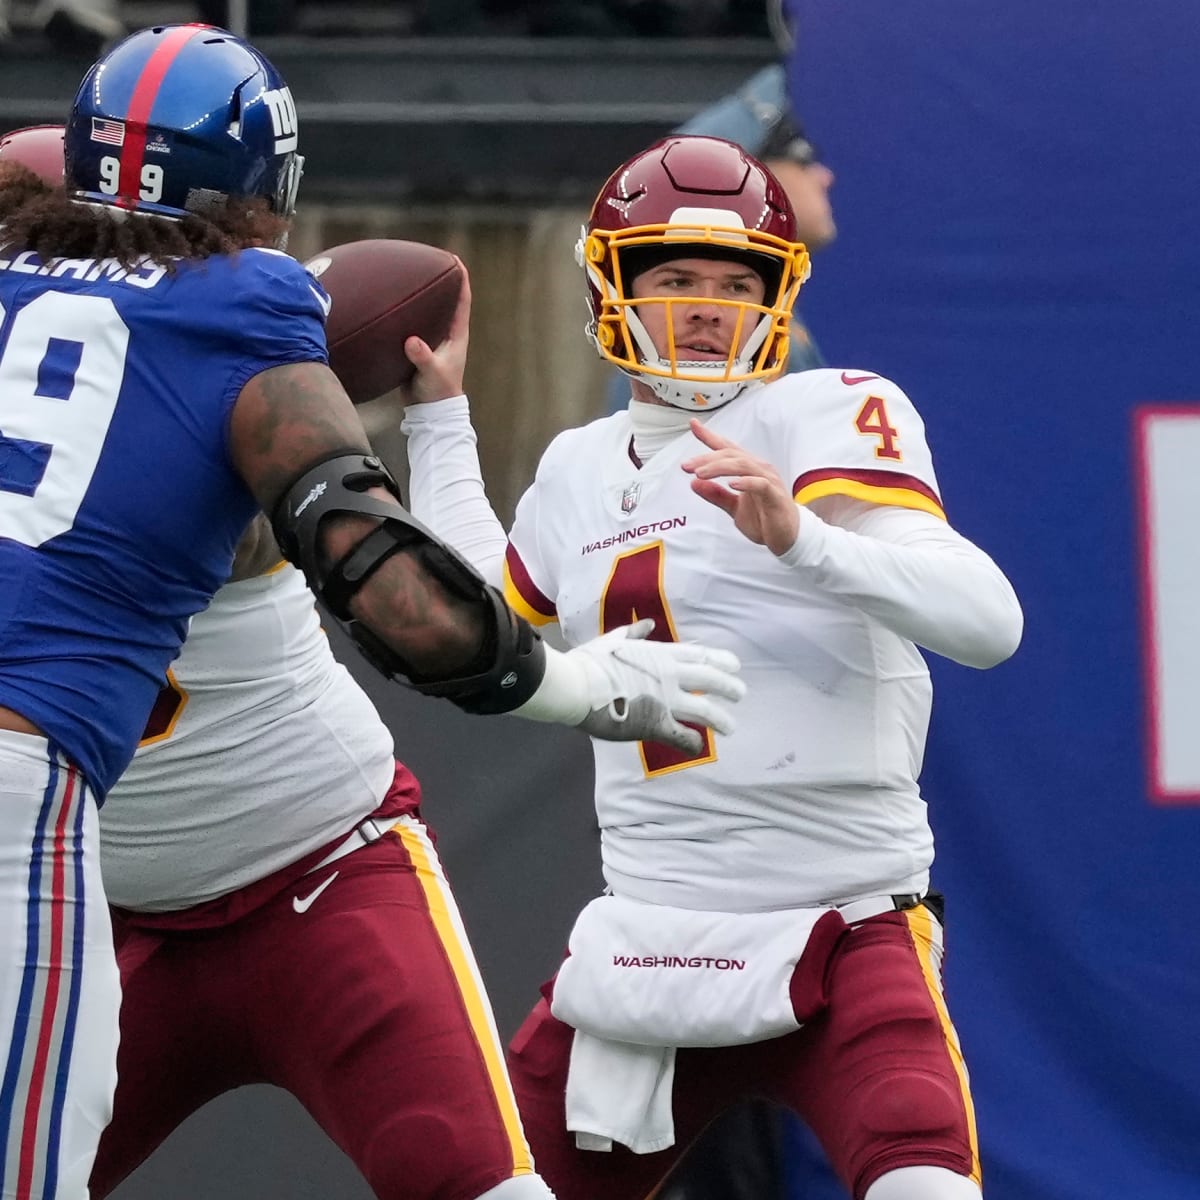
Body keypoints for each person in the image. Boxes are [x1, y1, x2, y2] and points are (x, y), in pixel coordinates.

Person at [0, 33, 743, 1199]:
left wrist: (443, 425)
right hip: (97, 888)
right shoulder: (249, 319)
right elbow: (402, 592)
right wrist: (585, 687)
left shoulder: (42, 294)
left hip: (309, 867)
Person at [397, 134, 1024, 1200]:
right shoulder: (579, 467)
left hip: (843, 919)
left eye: (737, 283)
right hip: (652, 933)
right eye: (676, 278)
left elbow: (987, 622)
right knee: (491, 1182)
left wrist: (805, 541)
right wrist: (438, 419)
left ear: (777, 298)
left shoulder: (819, 414)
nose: (705, 305)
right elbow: (483, 611)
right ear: (615, 289)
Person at [606, 63, 835, 415]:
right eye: (802, 156)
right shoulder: (671, 340)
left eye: (737, 287)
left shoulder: (774, 319)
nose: (824, 176)